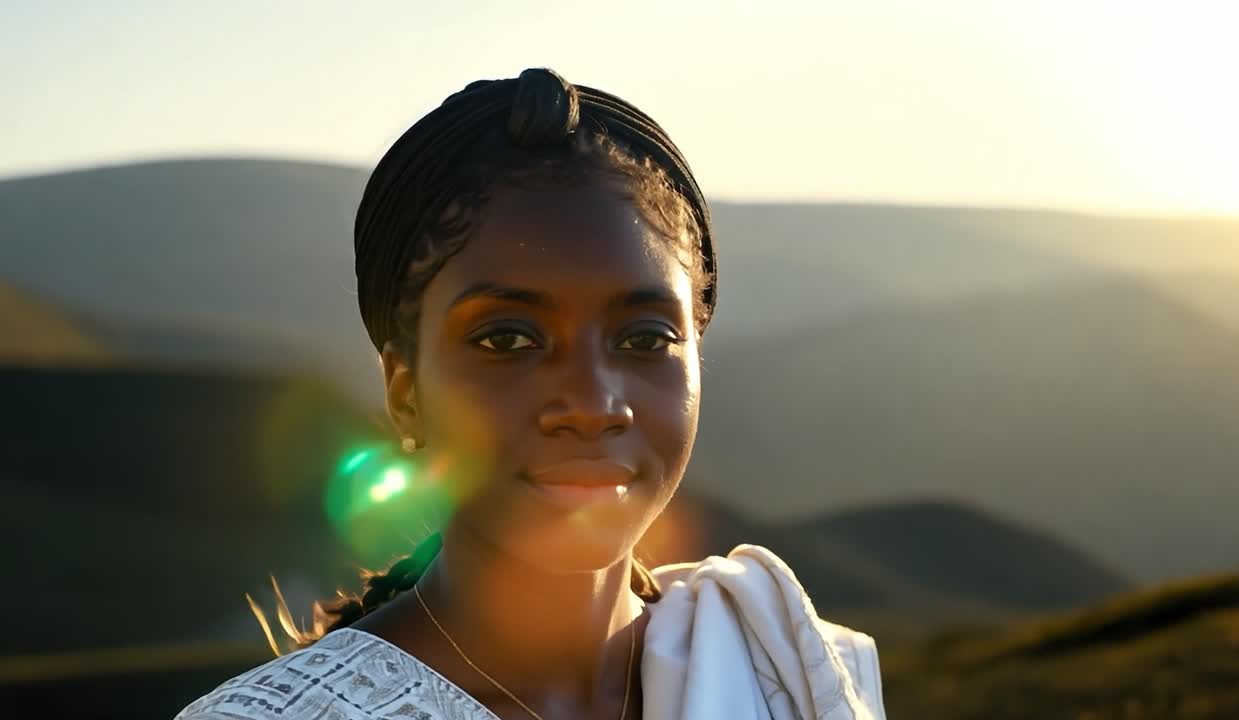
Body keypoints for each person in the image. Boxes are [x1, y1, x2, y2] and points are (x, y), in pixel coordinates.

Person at [175, 68, 886, 720]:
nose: (593, 403)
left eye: (643, 340)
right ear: (405, 393)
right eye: (508, 340)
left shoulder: (788, 670)